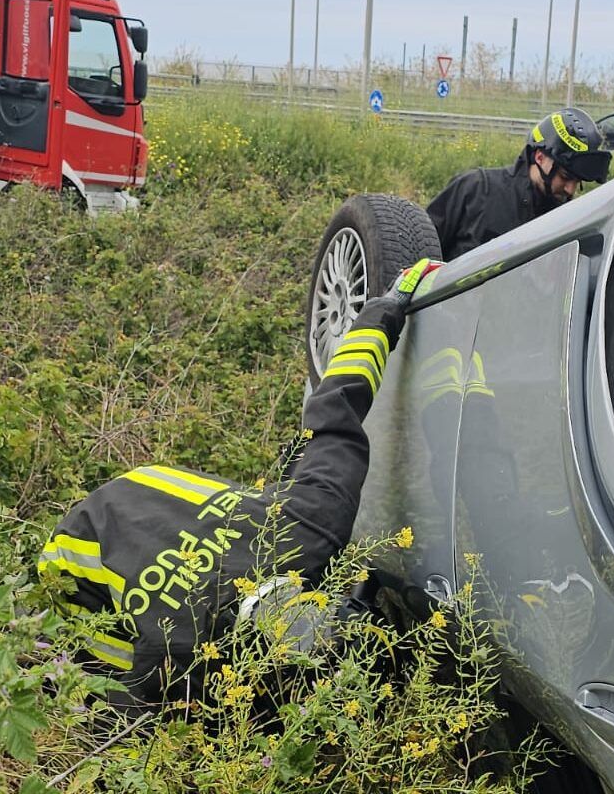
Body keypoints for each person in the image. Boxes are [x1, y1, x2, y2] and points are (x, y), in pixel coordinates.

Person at [38, 259, 444, 709]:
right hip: (77, 554)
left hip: (157, 487)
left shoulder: (314, 521)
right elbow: (122, 716)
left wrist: (384, 311)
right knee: (103, 684)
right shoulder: (177, 664)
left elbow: (338, 402)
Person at [426, 107, 613, 260]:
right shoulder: (476, 189)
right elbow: (420, 247)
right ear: (540, 157)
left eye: (577, 181)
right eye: (565, 177)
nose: (570, 189)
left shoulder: (568, 220)